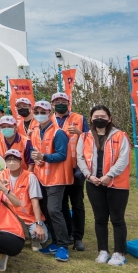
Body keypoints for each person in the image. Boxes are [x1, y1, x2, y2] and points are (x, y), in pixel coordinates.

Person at [76, 105, 130, 266]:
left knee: (117, 219)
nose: (99, 119)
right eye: (96, 116)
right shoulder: (85, 136)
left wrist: (109, 175)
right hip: (93, 183)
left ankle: (119, 253)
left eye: (103, 116)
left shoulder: (120, 135)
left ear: (109, 118)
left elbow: (123, 159)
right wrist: (89, 175)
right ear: (91, 119)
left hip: (117, 184)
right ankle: (103, 251)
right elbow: (80, 158)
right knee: (100, 219)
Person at [29, 100, 72, 262]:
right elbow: (34, 151)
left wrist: (44, 157)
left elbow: (62, 155)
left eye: (43, 112)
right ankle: (55, 242)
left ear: (50, 113)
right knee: (46, 211)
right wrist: (36, 159)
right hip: (40, 177)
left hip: (56, 178)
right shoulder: (35, 131)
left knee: (54, 210)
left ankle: (63, 245)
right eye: (37, 112)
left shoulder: (58, 133)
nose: (39, 115)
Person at [52, 92, 89, 252]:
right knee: (61, 204)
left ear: (68, 102)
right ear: (52, 104)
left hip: (75, 168)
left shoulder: (79, 118)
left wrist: (80, 133)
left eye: (63, 100)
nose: (60, 103)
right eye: (57, 101)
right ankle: (67, 234)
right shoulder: (48, 119)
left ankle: (78, 237)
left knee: (77, 203)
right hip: (56, 168)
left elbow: (91, 139)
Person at [0, 149, 48, 252]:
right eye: (8, 159)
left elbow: (35, 202)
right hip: (10, 217)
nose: (11, 162)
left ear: (21, 162)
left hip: (28, 218)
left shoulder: (30, 176)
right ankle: (22, 234)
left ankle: (32, 235)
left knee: (42, 238)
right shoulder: (1, 175)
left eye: (15, 159)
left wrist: (38, 224)